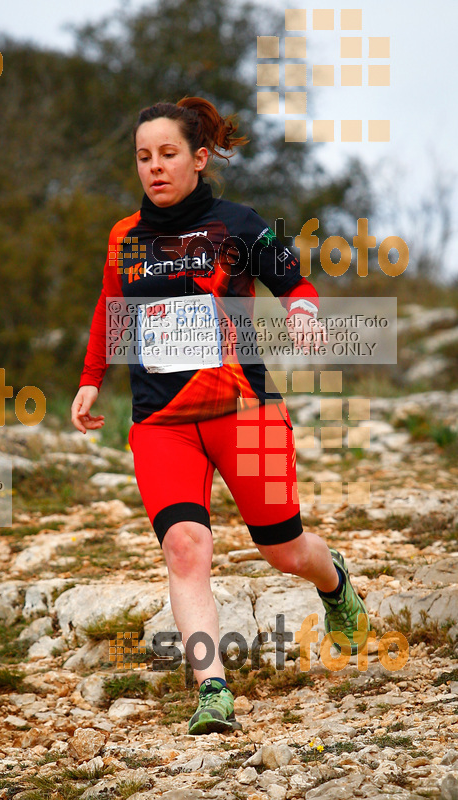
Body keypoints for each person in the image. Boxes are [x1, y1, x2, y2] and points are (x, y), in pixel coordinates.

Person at [71, 96, 370, 736]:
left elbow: (294, 281)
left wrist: (302, 312)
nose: (155, 168)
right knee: (185, 547)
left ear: (199, 158)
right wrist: (91, 379)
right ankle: (212, 691)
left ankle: (334, 580)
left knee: (284, 551)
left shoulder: (239, 224)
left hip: (244, 412)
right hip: (161, 422)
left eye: (168, 154)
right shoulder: (125, 237)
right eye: (144, 157)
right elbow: (109, 306)